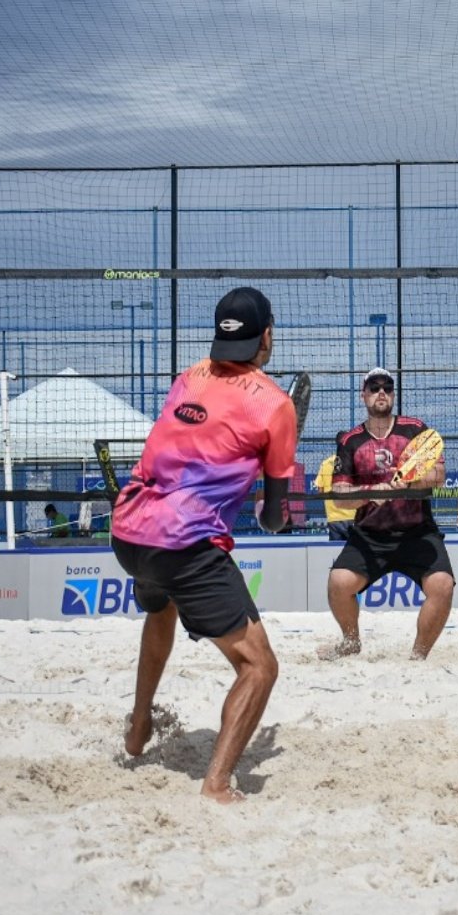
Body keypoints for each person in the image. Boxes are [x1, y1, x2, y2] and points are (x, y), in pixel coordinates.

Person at [110, 287, 297, 804]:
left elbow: (193, 441)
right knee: (260, 666)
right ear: (266, 336)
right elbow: (278, 519)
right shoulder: (276, 405)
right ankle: (216, 784)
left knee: (162, 608)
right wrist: (266, 507)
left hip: (127, 531)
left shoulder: (187, 377)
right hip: (183, 542)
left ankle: (138, 725)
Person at [321, 367, 454, 660]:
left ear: (393, 394)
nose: (381, 392)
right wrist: (373, 493)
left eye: (388, 387)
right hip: (369, 535)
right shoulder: (350, 440)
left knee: (442, 586)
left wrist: (406, 481)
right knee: (339, 583)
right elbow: (340, 497)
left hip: (418, 532)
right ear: (363, 395)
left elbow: (439, 475)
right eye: (374, 387)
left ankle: (418, 658)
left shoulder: (415, 429)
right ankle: (351, 642)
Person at [314, 448, 358, 541]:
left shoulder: (325, 463)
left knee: (335, 552)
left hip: (333, 517)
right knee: (354, 551)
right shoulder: (354, 463)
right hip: (352, 516)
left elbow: (320, 490)